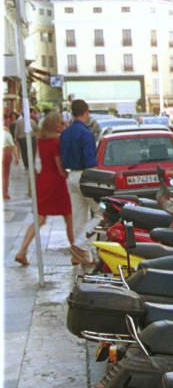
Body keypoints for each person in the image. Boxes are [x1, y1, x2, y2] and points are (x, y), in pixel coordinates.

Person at [15, 111, 89, 266]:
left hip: (43, 180)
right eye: (61, 123)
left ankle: (22, 250)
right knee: (69, 217)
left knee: (40, 218)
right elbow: (59, 166)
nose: (64, 125)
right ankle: (75, 254)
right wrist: (66, 172)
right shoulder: (56, 142)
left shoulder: (40, 140)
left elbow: (37, 161)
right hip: (56, 182)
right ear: (54, 125)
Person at [59, 99, 98, 265]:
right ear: (85, 112)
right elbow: (90, 159)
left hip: (71, 176)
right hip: (85, 175)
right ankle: (81, 245)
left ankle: (81, 256)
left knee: (78, 216)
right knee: (101, 213)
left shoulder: (66, 133)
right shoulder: (86, 133)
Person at [3, 121, 19, 200]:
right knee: (5, 174)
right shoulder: (6, 134)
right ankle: (4, 193)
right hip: (5, 153)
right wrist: (16, 157)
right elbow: (13, 146)